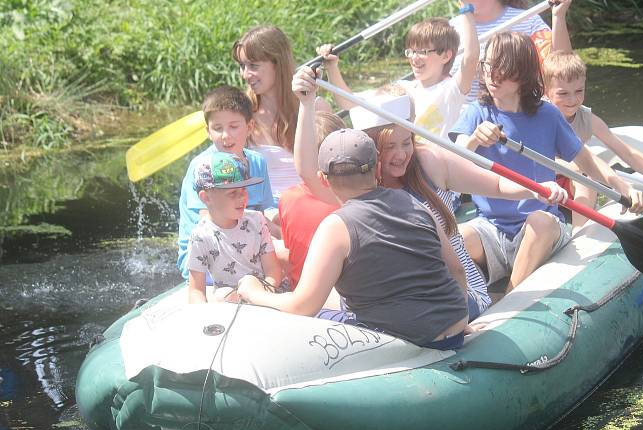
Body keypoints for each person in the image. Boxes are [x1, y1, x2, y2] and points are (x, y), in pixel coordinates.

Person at [291, 67, 564, 318]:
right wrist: (306, 103)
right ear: (371, 147)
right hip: (395, 298)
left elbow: (496, 185)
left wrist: (536, 190)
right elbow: (307, 172)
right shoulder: (357, 182)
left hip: (454, 295)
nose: (401, 155)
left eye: (405, 142)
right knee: (322, 300)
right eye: (389, 147)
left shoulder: (429, 161)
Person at [236, 128, 470, 350]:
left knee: (305, 318)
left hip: (406, 341)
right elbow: (457, 270)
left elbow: (302, 307)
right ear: (378, 169)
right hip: (454, 325)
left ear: (323, 179)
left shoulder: (336, 227)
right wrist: (455, 320)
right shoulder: (416, 204)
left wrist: (254, 293)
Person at [450, 32, 643, 292]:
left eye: (502, 68)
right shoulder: (476, 113)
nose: (492, 75)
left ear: (522, 73)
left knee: (541, 222)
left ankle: (509, 300)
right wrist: (475, 140)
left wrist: (625, 189)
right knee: (454, 240)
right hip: (491, 227)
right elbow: (454, 158)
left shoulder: (547, 115)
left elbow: (589, 162)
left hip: (541, 226)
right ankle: (463, 308)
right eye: (488, 65)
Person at [320, 0, 478, 137]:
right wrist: (332, 68)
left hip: (437, 160)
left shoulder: (451, 89)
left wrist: (465, 6)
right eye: (411, 51)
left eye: (422, 52)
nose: (414, 58)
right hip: (407, 160)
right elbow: (349, 102)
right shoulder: (403, 88)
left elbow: (471, 58)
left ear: (446, 56)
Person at [542, 50, 643, 226]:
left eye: (579, 91)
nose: (572, 100)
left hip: (572, 185)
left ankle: (578, 233)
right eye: (563, 93)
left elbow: (626, 152)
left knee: (587, 179)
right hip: (543, 182)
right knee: (582, 172)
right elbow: (534, 161)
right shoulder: (541, 117)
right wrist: (571, 166)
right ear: (546, 91)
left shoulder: (588, 119)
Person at [444, 0, 574, 102]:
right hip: (461, 122)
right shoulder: (451, 28)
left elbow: (561, 67)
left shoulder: (528, 21)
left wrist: (559, 17)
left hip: (513, 119)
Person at [177, 85, 275, 280]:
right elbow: (209, 223)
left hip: (245, 242)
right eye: (217, 128)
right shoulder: (202, 167)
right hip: (207, 256)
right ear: (208, 131)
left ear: (249, 127)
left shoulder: (257, 162)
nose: (225, 135)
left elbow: (266, 213)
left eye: (233, 126)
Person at [232, 26, 333, 204]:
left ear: (278, 64)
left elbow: (334, 173)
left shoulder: (317, 108)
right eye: (242, 66)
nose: (245, 74)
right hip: (263, 216)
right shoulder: (241, 117)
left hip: (310, 206)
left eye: (253, 66)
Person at [185, 152, 281, 303]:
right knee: (223, 295)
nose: (242, 197)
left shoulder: (256, 220)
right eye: (232, 193)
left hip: (262, 292)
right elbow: (196, 290)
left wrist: (265, 293)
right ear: (206, 197)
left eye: (244, 190)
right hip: (230, 302)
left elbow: (273, 270)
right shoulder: (201, 236)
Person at [278, 111, 345, 289]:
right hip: (341, 294)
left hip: (300, 290)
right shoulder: (349, 198)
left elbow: (292, 248)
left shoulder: (287, 198)